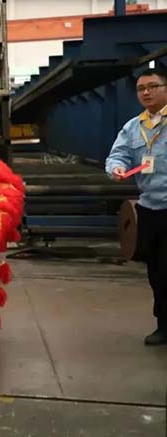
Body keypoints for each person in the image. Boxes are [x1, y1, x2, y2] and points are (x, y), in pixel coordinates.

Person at [106, 67, 167, 346]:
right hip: (149, 210)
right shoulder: (133, 127)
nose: (146, 92)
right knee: (156, 272)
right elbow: (118, 154)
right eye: (141, 88)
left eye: (153, 86)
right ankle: (163, 326)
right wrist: (117, 168)